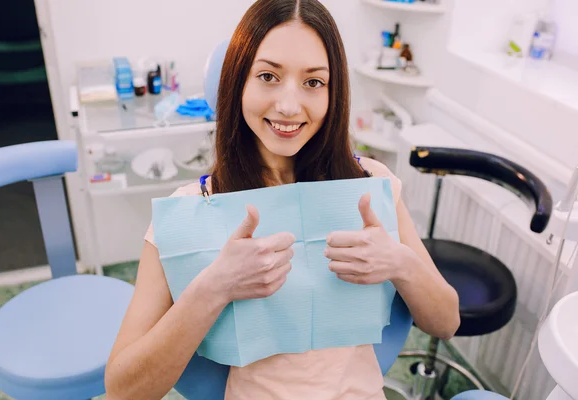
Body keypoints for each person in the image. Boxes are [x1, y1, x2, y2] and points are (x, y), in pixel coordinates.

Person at [104, 0, 460, 398]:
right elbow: (123, 390)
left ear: (333, 92)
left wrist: (401, 263)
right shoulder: (189, 211)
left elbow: (447, 321)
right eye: (268, 76)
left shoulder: (370, 183)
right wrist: (212, 289)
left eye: (313, 82)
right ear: (238, 82)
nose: (289, 106)